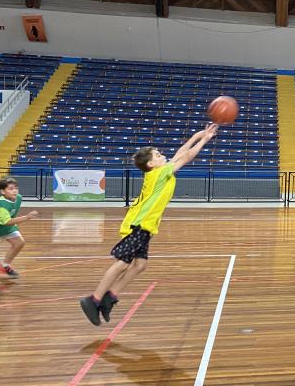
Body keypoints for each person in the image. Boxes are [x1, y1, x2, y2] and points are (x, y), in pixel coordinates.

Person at [79, 124, 218, 326]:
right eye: (159, 155)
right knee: (123, 263)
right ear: (152, 164)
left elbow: (180, 154)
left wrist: (197, 135)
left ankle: (111, 296)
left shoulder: (158, 173)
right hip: (140, 225)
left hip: (145, 226)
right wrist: (204, 140)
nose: (164, 156)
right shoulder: (160, 174)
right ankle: (94, 299)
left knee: (140, 264)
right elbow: (185, 157)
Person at [0, 177, 38, 278]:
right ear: (2, 191)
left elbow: (10, 216)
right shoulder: (1, 205)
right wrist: (27, 217)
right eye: (10, 188)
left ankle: (5, 266)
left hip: (5, 227)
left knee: (19, 243)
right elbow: (7, 221)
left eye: (16, 188)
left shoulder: (18, 198)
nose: (14, 190)